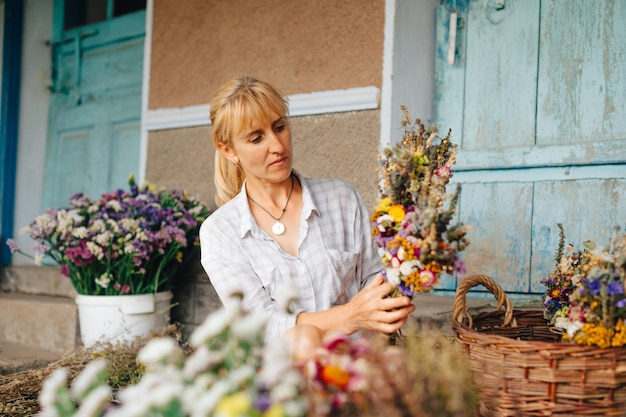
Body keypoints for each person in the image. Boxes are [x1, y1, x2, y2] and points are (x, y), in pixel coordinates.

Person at [199, 76, 414, 355]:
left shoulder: (341, 198)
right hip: (280, 382)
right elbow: (261, 328)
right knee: (302, 343)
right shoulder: (221, 231)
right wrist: (351, 316)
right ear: (228, 150)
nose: (277, 145)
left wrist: (402, 284)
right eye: (256, 138)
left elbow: (374, 281)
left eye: (280, 127)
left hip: (357, 366)